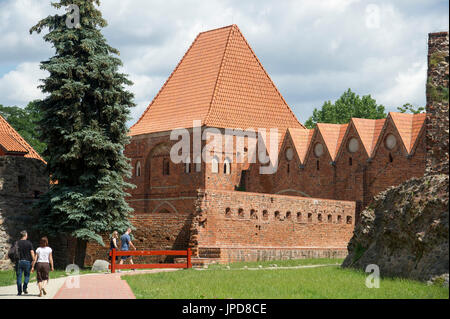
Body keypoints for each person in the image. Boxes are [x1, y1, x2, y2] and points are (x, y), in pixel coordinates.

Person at [16, 230, 35, 296]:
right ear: (25, 235)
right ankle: (24, 288)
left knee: (19, 277)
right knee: (27, 276)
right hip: (27, 262)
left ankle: (19, 292)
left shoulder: (17, 243)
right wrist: (34, 260)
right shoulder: (29, 243)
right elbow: (32, 252)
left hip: (19, 262)